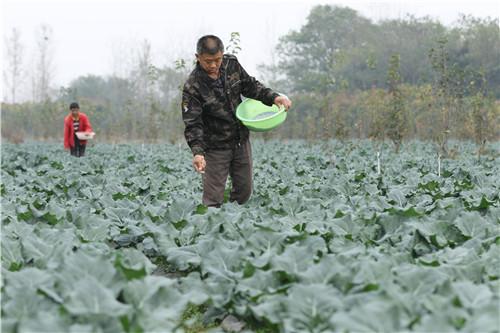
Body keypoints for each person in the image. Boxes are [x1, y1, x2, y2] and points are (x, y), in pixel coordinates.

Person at [181, 35, 292, 207]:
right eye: (207, 61)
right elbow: (193, 123)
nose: (213, 65)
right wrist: (198, 152)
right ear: (198, 58)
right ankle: (211, 229)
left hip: (240, 141)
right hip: (215, 147)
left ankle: (237, 227)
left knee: (244, 191)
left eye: (217, 60)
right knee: (213, 199)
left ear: (222, 54)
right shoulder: (192, 86)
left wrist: (274, 97)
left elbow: (251, 87)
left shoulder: (231, 64)